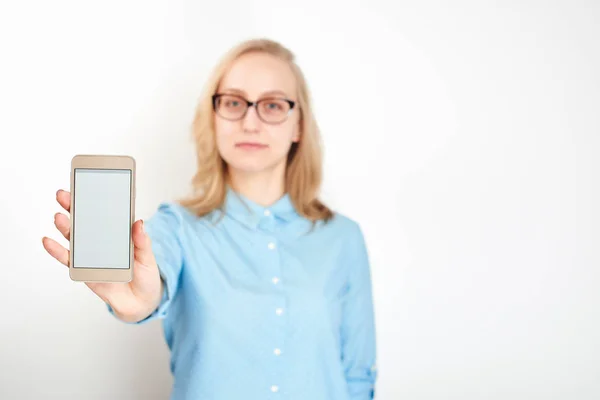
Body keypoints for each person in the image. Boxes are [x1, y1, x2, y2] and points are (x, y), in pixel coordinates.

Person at [42, 38, 377, 400]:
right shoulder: (175, 227)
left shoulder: (343, 238)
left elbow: (358, 375)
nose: (250, 122)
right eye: (234, 102)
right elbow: (152, 284)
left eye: (273, 105)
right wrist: (140, 300)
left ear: (298, 126)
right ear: (213, 117)